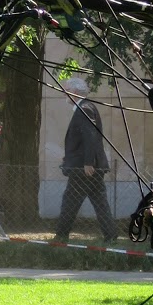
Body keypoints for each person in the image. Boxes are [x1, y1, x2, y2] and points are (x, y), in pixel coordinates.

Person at [53, 76, 116, 243]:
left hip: (84, 169)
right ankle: (111, 236)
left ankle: (60, 236)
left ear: (74, 92)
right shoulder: (85, 107)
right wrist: (69, 156)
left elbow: (90, 136)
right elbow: (83, 140)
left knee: (70, 202)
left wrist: (88, 162)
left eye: (66, 91)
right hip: (90, 167)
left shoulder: (84, 108)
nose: (64, 95)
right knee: (100, 203)